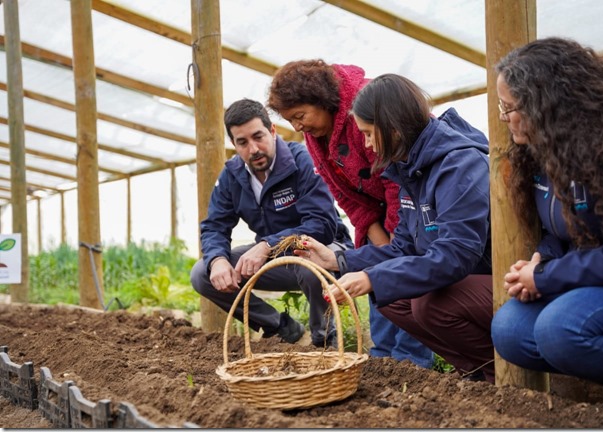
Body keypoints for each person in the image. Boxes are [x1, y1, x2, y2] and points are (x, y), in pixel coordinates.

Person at [296, 73, 495, 382]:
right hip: (466, 279)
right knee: (390, 298)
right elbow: (403, 247)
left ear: (393, 127)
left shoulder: (459, 165)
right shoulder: (409, 170)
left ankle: (500, 370)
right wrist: (338, 261)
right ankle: (476, 369)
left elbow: (456, 255)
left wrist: (373, 276)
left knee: (429, 304)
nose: (366, 144)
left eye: (369, 133)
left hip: (498, 280)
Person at [490, 37, 603, 412]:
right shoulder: (548, 149)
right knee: (510, 330)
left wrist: (546, 278)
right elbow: (567, 230)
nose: (504, 118)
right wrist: (543, 257)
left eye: (509, 108)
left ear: (545, 104)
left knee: (560, 329)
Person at [267, 59, 435, 369]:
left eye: (300, 116)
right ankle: (384, 359)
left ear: (322, 100)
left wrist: (396, 242)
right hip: (378, 214)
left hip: (414, 200)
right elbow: (342, 193)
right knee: (379, 278)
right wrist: (379, 240)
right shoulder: (316, 135)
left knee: (410, 275)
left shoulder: (366, 109)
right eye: (292, 120)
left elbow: (395, 178)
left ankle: (413, 363)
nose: (298, 127)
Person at [190, 98, 354, 348]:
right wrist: (218, 260)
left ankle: (325, 342)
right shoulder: (232, 176)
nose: (253, 149)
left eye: (258, 137)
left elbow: (322, 224)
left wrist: (268, 244)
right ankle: (280, 327)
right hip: (275, 260)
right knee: (202, 273)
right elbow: (214, 226)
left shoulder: (303, 161)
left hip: (326, 252)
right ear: (234, 144)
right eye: (242, 142)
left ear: (273, 131)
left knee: (309, 261)